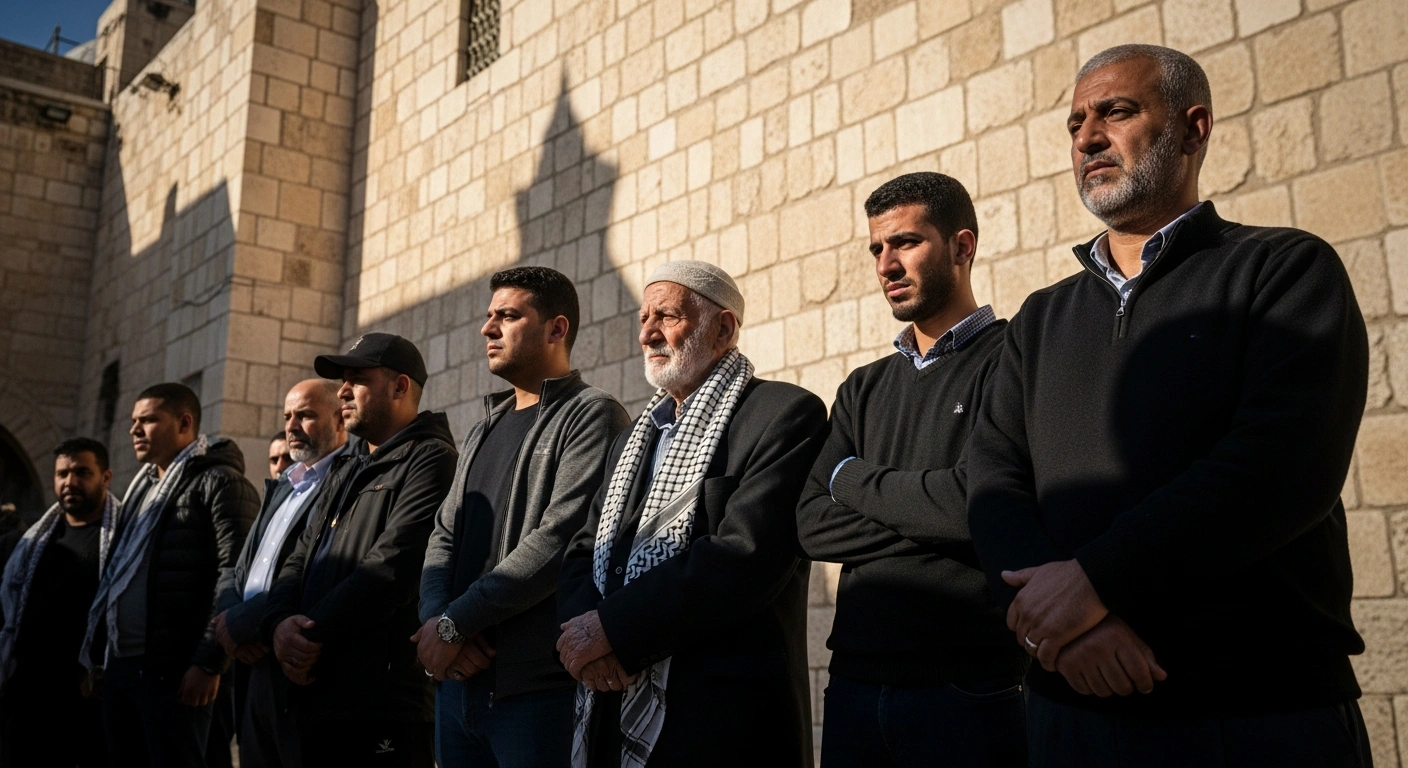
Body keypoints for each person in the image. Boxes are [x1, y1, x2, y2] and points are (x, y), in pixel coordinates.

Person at [966, 44, 1372, 767]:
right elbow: (993, 478)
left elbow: (1282, 467)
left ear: (1194, 128)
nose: (1087, 136)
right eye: (1075, 123)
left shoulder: (1283, 271)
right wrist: (1070, 630)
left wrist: (1096, 581)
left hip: (1255, 715)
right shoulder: (1038, 319)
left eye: (1116, 111)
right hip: (1070, 712)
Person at [796, 173, 1026, 767]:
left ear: (962, 246)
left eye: (906, 243)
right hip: (852, 686)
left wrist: (851, 480)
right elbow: (813, 524)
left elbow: (976, 505)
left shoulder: (1012, 359)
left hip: (970, 688)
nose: (886, 264)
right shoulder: (862, 388)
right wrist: (935, 510)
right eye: (877, 248)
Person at [558, 261, 827, 767]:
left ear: (723, 328)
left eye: (667, 316)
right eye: (643, 318)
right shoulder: (632, 439)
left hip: (720, 720)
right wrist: (584, 638)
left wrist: (615, 632)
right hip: (612, 702)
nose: (647, 333)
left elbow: (742, 559)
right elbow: (584, 547)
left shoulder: (784, 415)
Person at [417, 267, 630, 765]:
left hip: (536, 692)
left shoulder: (592, 414)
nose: (488, 329)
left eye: (508, 316)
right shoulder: (481, 429)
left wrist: (453, 625)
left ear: (557, 329)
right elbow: (443, 534)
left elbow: (558, 539)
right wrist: (437, 624)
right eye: (489, 317)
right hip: (459, 686)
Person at [262, 334, 457, 768]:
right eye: (342, 381)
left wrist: (307, 636)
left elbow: (391, 568)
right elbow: (298, 558)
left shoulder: (431, 458)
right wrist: (278, 625)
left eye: (357, 380)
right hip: (314, 693)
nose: (342, 392)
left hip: (379, 704)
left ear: (400, 386)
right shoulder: (347, 466)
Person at [80, 383, 260, 767]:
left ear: (184, 422)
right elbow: (115, 577)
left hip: (178, 672)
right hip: (124, 666)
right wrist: (98, 657)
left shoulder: (221, 483)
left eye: (148, 420)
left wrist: (209, 661)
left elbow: (235, 574)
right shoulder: (141, 488)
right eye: (133, 421)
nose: (135, 430)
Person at [213, 380, 348, 768]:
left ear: (340, 419)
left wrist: (249, 624)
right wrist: (227, 619)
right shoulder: (284, 488)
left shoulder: (344, 484)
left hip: (293, 667)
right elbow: (237, 568)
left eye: (305, 415)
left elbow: (316, 574)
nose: (292, 426)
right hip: (250, 662)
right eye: (287, 415)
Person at [0, 438, 117, 767]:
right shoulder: (29, 542)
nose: (70, 482)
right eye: (62, 474)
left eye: (82, 472)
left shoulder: (123, 540)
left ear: (105, 477)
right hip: (25, 698)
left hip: (84, 704)